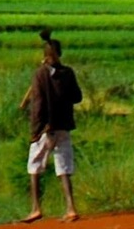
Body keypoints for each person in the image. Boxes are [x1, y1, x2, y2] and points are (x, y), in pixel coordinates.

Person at [17, 28, 82, 222]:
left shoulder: (40, 75)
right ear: (59, 54)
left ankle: (36, 208)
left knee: (34, 167)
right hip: (64, 126)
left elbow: (39, 104)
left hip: (45, 128)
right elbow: (77, 97)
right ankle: (71, 208)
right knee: (64, 168)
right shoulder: (68, 73)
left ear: (45, 56)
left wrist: (35, 131)